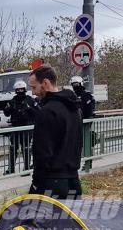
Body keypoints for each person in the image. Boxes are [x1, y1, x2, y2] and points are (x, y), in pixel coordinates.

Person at [26, 65, 82, 199]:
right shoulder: (75, 108)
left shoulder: (46, 112)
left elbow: (42, 152)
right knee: (70, 219)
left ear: (45, 83)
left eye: (34, 87)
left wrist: (36, 184)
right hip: (73, 180)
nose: (33, 93)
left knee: (45, 219)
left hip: (51, 183)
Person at [3, 80, 38, 175]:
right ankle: (11, 169)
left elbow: (38, 112)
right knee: (13, 148)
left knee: (26, 148)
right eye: (18, 90)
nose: (20, 91)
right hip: (15, 128)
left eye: (21, 89)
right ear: (15, 90)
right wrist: (8, 108)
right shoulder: (12, 101)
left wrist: (29, 108)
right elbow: (6, 113)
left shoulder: (30, 100)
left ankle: (26, 169)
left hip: (26, 128)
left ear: (25, 89)